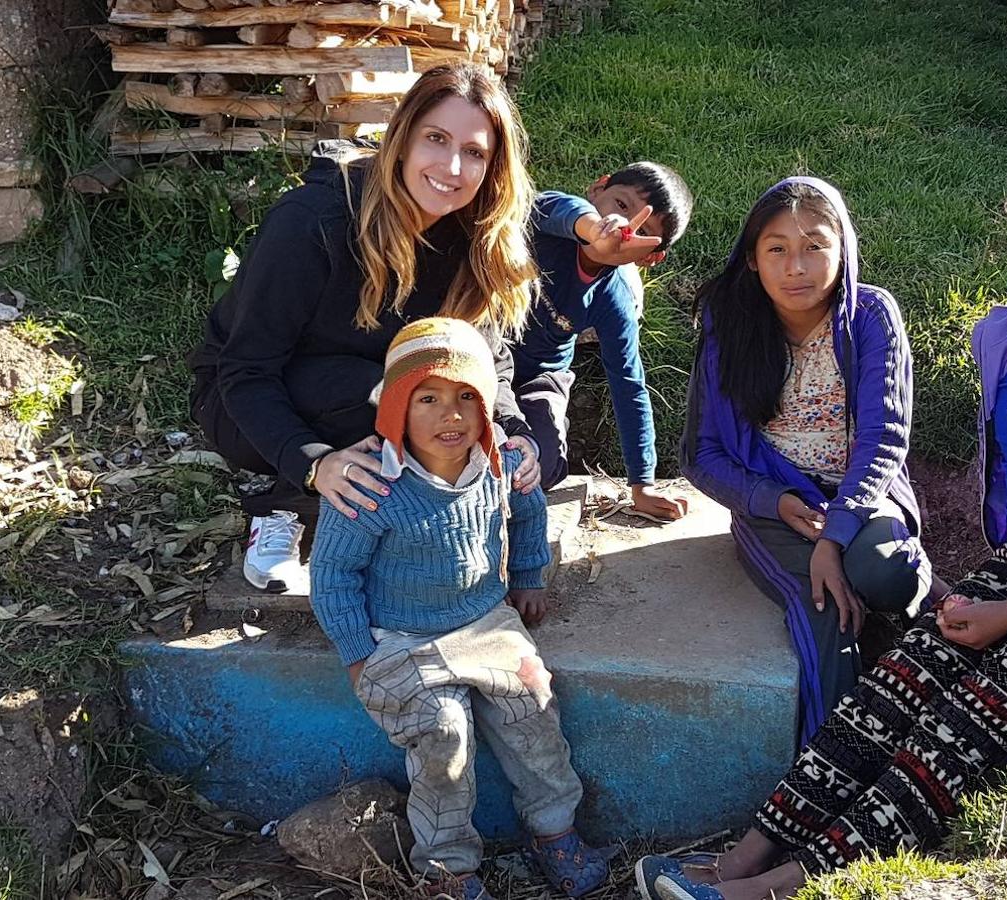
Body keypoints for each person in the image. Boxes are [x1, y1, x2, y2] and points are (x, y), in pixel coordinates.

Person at [636, 142, 1007, 900]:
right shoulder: (1000, 337)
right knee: (893, 686)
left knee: (959, 724)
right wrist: (1005, 591)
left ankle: (777, 888)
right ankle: (744, 855)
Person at [188, 62, 542, 593]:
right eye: (436, 139)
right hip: (252, 402)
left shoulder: (478, 238)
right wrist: (312, 463)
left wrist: (514, 433)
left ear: (493, 168)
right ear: (402, 139)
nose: (451, 166)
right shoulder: (314, 222)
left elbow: (487, 359)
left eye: (474, 152)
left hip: (384, 395)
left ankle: (409, 520)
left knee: (438, 398)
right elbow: (245, 368)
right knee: (401, 394)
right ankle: (284, 505)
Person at [310, 318, 607, 900]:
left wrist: (527, 579)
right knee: (444, 738)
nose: (451, 415)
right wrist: (356, 652)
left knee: (533, 708)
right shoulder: (373, 485)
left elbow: (528, 515)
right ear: (396, 407)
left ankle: (555, 832)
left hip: (486, 620)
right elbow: (332, 574)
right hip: (399, 636)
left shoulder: (497, 464)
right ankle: (448, 869)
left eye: (466, 398)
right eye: (428, 398)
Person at [680, 177, 932, 745]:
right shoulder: (729, 325)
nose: (797, 266)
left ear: (844, 250)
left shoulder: (870, 316)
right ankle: (830, 763)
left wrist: (835, 536)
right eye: (777, 249)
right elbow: (703, 455)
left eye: (816, 246)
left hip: (861, 495)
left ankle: (915, 604)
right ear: (752, 260)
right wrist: (773, 500)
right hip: (775, 506)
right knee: (824, 606)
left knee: (889, 573)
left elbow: (885, 437)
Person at [513, 162, 695, 520]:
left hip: (538, 377)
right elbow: (560, 209)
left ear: (650, 257)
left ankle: (546, 432)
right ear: (597, 189)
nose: (624, 228)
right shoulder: (550, 219)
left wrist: (642, 483)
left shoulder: (616, 298)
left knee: (543, 465)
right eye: (621, 205)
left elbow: (629, 385)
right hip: (479, 352)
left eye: (642, 232)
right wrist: (596, 227)